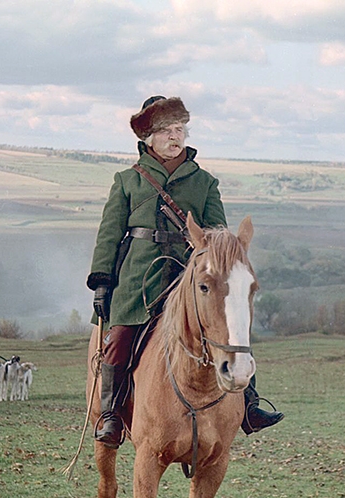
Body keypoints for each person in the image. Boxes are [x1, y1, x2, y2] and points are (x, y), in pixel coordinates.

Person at [87, 95, 282, 449]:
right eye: (166, 130)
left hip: (191, 276)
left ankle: (249, 404)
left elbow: (219, 234)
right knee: (118, 340)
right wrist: (102, 281)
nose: (175, 136)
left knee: (229, 330)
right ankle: (112, 415)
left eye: (179, 129)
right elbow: (109, 234)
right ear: (149, 138)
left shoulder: (204, 182)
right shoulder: (127, 181)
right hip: (138, 277)